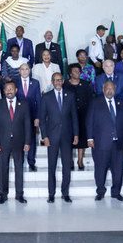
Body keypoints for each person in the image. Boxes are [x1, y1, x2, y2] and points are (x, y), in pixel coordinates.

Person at [86, 80, 123, 201]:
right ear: (103, 89)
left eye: (112, 89)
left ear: (115, 90)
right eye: (107, 88)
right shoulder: (96, 102)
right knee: (100, 168)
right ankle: (100, 191)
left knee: (118, 170)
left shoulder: (120, 102)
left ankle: (116, 192)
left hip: (118, 142)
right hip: (101, 142)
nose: (110, 91)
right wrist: (90, 138)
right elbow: (89, 121)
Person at [39, 73, 79, 203]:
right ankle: (51, 194)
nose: (57, 82)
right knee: (52, 166)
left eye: (59, 80)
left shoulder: (70, 95)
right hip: (52, 136)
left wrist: (76, 134)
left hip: (67, 136)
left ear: (63, 81)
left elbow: (74, 116)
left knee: (67, 165)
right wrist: (44, 136)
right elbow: (42, 120)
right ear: (52, 81)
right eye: (55, 80)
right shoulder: (46, 97)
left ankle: (65, 193)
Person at [0, 82, 31, 204]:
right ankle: (3, 194)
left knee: (19, 168)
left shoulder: (23, 104)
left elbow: (28, 125)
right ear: (4, 91)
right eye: (7, 89)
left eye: (11, 89)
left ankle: (19, 195)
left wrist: (27, 142)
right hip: (3, 142)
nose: (9, 91)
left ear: (16, 90)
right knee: (3, 168)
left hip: (19, 142)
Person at [64, 64, 92, 171]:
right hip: (69, 115)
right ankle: (70, 160)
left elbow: (90, 99)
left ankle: (80, 160)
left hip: (83, 114)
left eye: (79, 71)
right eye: (75, 71)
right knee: (69, 137)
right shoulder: (65, 84)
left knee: (82, 137)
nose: (77, 73)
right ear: (70, 73)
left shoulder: (85, 84)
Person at [15, 63, 42, 171]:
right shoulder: (14, 82)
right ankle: (19, 161)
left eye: (27, 69)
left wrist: (37, 117)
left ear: (30, 70)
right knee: (19, 139)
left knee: (31, 139)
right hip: (18, 116)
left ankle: (31, 162)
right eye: (23, 69)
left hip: (31, 115)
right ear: (19, 71)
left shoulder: (35, 83)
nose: (25, 71)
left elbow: (38, 101)